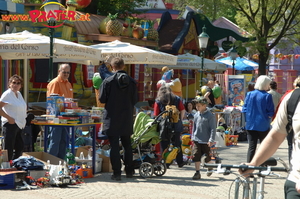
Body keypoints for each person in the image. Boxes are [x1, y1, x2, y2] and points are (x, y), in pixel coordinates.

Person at [239, 89, 300, 198]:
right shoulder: (293, 98)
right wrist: (254, 164)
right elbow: (275, 137)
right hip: (295, 182)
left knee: (251, 145)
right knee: (252, 145)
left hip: (253, 124)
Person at [99, 57, 138, 181]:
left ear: (112, 67)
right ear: (124, 66)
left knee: (114, 146)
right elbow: (136, 100)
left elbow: (102, 99)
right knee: (127, 145)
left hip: (112, 117)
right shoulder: (132, 82)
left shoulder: (108, 81)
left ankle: (116, 173)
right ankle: (129, 171)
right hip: (126, 117)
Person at [242, 75, 274, 163]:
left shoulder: (249, 94)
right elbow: (271, 111)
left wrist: (247, 119)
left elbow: (244, 109)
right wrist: (268, 116)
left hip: (250, 124)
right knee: (263, 147)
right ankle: (262, 166)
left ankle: (248, 168)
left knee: (251, 147)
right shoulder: (267, 96)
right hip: (263, 124)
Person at [153, 85, 186, 168]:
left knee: (164, 144)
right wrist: (180, 120)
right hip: (176, 123)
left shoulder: (158, 100)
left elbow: (156, 114)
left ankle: (166, 162)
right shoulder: (177, 99)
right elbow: (182, 109)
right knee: (177, 143)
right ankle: (180, 162)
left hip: (164, 126)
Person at [47, 63, 73, 159]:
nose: (66, 74)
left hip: (66, 117)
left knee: (64, 141)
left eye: (68, 72)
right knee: (55, 141)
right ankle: (52, 163)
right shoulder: (55, 83)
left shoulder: (68, 83)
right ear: (59, 71)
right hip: (56, 117)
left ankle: (61, 163)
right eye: (64, 72)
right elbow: (52, 101)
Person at [0, 75, 27, 161]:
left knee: (20, 147)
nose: (16, 85)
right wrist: (9, 118)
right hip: (10, 124)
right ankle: (7, 166)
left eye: (18, 83)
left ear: (21, 85)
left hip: (20, 124)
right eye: (14, 83)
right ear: (9, 84)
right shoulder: (7, 94)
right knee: (9, 148)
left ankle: (15, 164)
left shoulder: (19, 94)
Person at [191, 96, 216, 180]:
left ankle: (210, 166)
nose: (197, 107)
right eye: (196, 106)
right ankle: (197, 172)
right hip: (197, 139)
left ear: (204, 106)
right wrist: (192, 136)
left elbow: (213, 128)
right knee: (196, 155)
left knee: (207, 157)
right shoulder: (196, 115)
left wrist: (211, 139)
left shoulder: (210, 116)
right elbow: (194, 127)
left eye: (199, 106)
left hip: (206, 140)